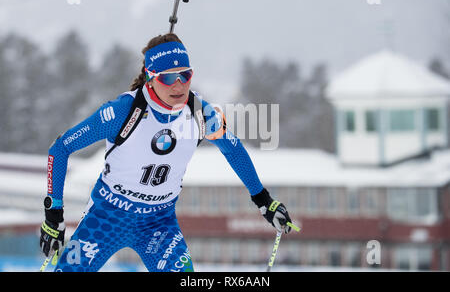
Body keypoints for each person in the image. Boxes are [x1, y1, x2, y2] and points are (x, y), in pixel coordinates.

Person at [39, 33, 293, 272]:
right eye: (168, 78)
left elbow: (234, 150)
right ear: (150, 77)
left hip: (158, 223)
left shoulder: (200, 113)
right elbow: (60, 149)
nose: (179, 85)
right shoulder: (122, 111)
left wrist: (263, 200)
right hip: (107, 218)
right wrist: (53, 215)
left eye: (185, 75)